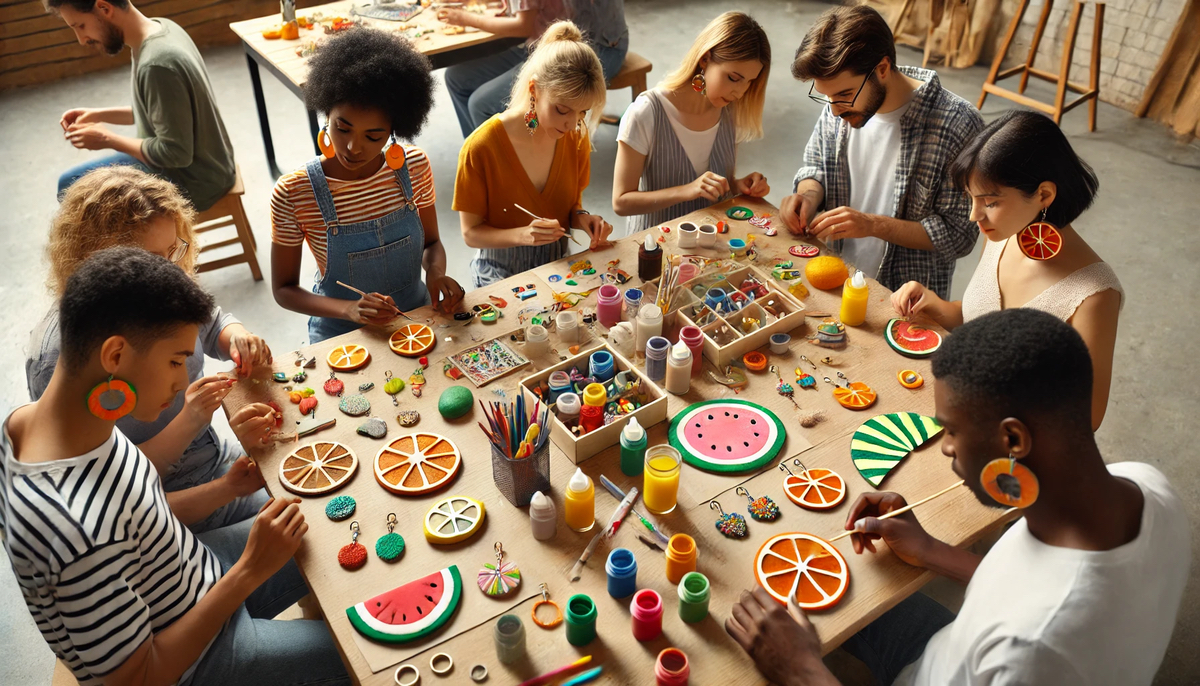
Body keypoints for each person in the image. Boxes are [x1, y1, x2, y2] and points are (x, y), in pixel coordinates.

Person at [727, 308, 1190, 686]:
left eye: (951, 430)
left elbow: (1035, 624)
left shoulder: (1031, 654)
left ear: (1013, 441)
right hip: (954, 651)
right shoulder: (1145, 484)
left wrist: (801, 670)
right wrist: (931, 550)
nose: (945, 446)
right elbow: (1033, 584)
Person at [2, 247, 349, 686]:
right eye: (175, 360)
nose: (184, 380)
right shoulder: (72, 532)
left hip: (192, 570)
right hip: (197, 661)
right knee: (371, 647)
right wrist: (247, 572)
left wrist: (227, 487)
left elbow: (134, 511)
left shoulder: (43, 423)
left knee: (327, 512)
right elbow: (141, 677)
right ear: (115, 356)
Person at [27, 167, 272, 533]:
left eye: (174, 251)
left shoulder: (157, 289)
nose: (171, 270)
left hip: (214, 461)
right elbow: (116, 499)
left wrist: (234, 334)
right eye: (175, 361)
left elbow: (212, 321)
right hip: (163, 512)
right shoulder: (61, 363)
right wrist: (191, 422)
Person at [892, 111, 1122, 429]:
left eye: (990, 202)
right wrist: (936, 305)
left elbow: (1088, 416)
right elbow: (980, 321)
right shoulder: (1003, 236)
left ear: (1044, 195)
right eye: (970, 198)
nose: (975, 216)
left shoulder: (1094, 294)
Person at [270, 28, 464, 344]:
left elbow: (431, 245)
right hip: (341, 335)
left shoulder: (413, 167)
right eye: (342, 128)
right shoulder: (294, 192)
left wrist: (437, 274)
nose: (352, 148)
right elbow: (283, 290)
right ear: (325, 113)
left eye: (373, 136)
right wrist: (349, 309)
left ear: (393, 130)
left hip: (414, 319)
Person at [781, 5, 982, 297]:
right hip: (834, 278)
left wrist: (872, 224)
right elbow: (816, 167)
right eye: (826, 97)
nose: (834, 110)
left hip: (901, 300)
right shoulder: (838, 104)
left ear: (883, 69)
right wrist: (808, 196)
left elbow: (958, 235)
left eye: (844, 95)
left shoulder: (959, 125)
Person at [455, 20, 614, 288]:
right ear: (534, 90)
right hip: (498, 276)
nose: (571, 124)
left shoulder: (575, 137)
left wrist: (584, 218)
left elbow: (569, 207)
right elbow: (470, 233)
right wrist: (522, 236)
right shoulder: (481, 147)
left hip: (558, 270)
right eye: (562, 110)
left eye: (582, 113)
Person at [49, 0, 236, 211]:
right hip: (213, 166)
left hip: (194, 183)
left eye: (80, 26)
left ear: (104, 8)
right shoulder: (161, 29)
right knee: (73, 183)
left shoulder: (156, 64)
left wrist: (107, 139)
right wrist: (98, 115)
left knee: (70, 186)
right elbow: (160, 112)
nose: (82, 40)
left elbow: (175, 153)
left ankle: (133, 244)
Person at [612, 11, 772, 234]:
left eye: (749, 82)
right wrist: (689, 190)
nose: (740, 91)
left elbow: (716, 188)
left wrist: (736, 185)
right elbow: (621, 202)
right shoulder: (647, 112)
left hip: (711, 249)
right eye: (733, 78)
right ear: (705, 59)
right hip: (655, 250)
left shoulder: (730, 112)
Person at [440, 0, 628, 137]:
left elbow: (523, 25)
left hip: (598, 46)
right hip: (545, 40)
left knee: (481, 105)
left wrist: (465, 18)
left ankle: (504, 169)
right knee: (457, 78)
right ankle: (479, 158)